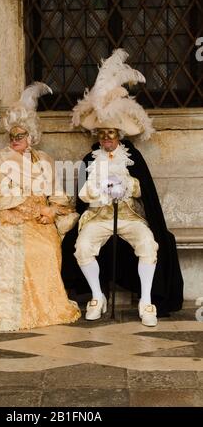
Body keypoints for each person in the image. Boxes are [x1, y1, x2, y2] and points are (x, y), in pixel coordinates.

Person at [61, 49, 183, 326]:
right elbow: (82, 195)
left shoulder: (133, 158)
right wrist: (98, 189)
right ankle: (96, 296)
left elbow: (143, 190)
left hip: (128, 215)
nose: (107, 139)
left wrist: (125, 184)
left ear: (119, 136)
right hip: (98, 216)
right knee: (82, 247)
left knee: (149, 245)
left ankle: (147, 301)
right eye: (102, 135)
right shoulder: (89, 160)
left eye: (111, 134)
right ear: (98, 136)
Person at [0, 82, 81, 331]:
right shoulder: (2, 159)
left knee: (47, 248)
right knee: (19, 250)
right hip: (10, 216)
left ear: (31, 136)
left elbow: (57, 194)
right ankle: (14, 310)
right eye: (11, 136)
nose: (15, 140)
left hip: (41, 218)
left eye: (20, 135)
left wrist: (52, 210)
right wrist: (30, 209)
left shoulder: (45, 160)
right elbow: (3, 194)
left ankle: (47, 306)